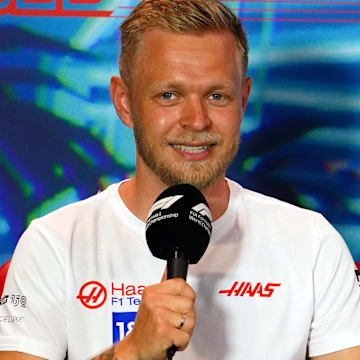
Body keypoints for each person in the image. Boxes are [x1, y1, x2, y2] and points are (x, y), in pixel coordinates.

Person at [0, 0, 360, 359]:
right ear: (124, 102)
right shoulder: (54, 244)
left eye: (217, 96)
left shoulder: (312, 243)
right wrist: (132, 353)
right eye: (169, 95)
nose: (197, 120)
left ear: (243, 99)